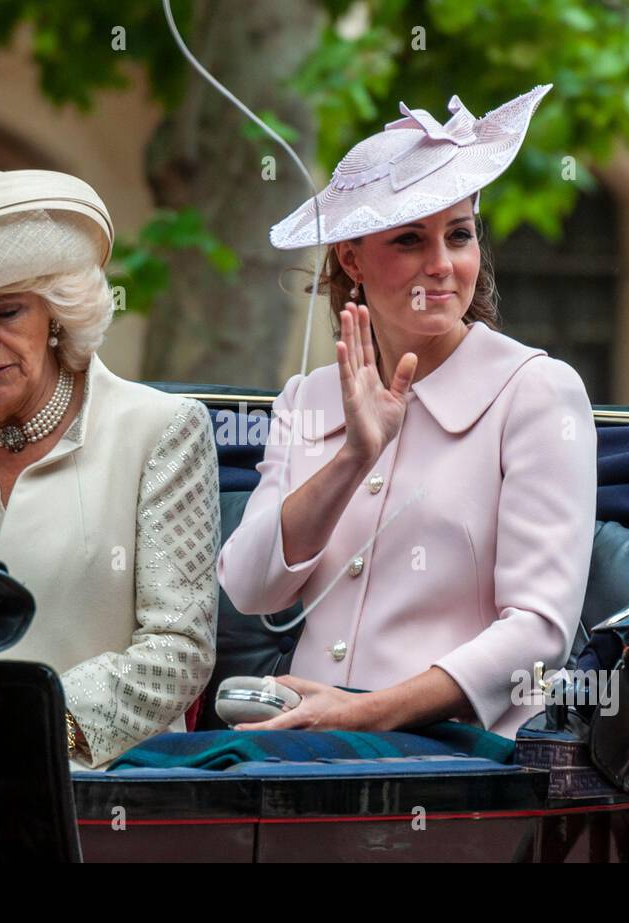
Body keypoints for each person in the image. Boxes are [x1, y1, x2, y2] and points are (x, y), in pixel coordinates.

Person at [217, 87, 598, 743]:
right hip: (298, 742)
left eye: (459, 235)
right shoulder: (307, 399)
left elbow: (539, 636)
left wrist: (362, 710)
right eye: (409, 239)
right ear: (351, 259)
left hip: (455, 754)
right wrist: (352, 457)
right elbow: (251, 589)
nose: (443, 265)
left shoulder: (536, 392)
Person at [0, 169, 219, 769]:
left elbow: (178, 650)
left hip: (98, 791)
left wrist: (31, 732)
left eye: (6, 313)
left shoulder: (159, 428)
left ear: (55, 315)